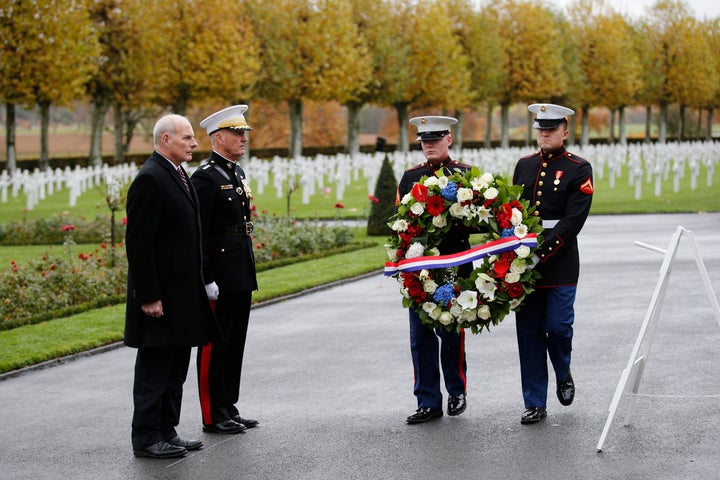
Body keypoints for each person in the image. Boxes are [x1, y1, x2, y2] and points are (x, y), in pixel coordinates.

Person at [124, 114, 214, 458]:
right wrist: (148, 296)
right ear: (165, 140)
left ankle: (166, 429)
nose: (194, 143)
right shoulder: (150, 178)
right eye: (187, 138)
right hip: (160, 297)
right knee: (155, 369)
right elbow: (140, 244)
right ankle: (146, 436)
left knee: (175, 368)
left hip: (182, 295)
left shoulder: (177, 174)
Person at [512, 103, 594, 425]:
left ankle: (563, 370)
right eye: (540, 129)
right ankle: (534, 401)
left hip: (560, 262)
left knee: (558, 328)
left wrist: (541, 252)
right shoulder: (523, 165)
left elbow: (573, 219)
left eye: (550, 128)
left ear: (564, 131)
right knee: (529, 333)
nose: (544, 134)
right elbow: (513, 214)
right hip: (522, 263)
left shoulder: (578, 168)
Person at [399, 115, 472, 424]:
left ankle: (456, 391)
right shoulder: (410, 177)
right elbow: (400, 223)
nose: (428, 145)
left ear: (448, 140)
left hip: (455, 262)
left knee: (451, 332)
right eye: (424, 141)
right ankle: (428, 400)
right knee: (421, 337)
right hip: (421, 267)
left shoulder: (466, 175)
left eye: (435, 139)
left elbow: (479, 218)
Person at [191, 105, 259, 434]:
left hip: (239, 268)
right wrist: (206, 277)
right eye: (237, 133)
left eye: (244, 133)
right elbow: (199, 233)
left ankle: (228, 405)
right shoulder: (205, 177)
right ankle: (211, 412)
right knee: (215, 345)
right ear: (219, 138)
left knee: (235, 342)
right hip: (219, 271)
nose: (243, 138)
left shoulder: (236, 173)